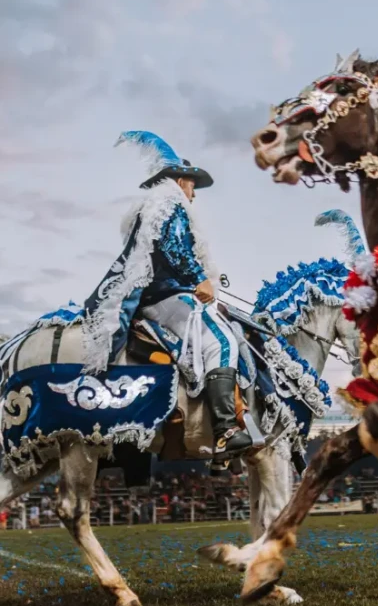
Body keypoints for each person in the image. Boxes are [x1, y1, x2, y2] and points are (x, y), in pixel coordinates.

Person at [83, 131, 252, 461]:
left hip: (154, 299)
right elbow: (171, 247)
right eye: (191, 183)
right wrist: (200, 278)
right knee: (222, 340)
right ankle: (225, 430)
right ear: (178, 179)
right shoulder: (169, 203)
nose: (193, 192)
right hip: (167, 298)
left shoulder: (153, 206)